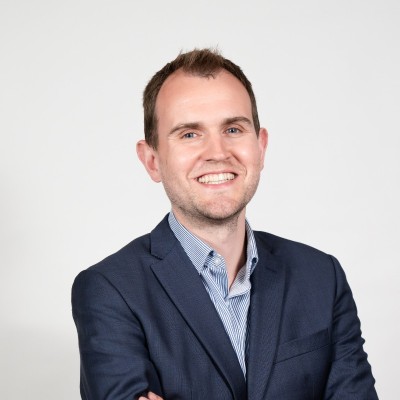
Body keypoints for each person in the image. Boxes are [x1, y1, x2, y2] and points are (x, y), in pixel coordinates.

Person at [72, 48, 378, 400]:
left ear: (260, 148)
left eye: (233, 129)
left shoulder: (322, 277)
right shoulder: (109, 291)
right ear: (152, 160)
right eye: (189, 134)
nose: (217, 152)